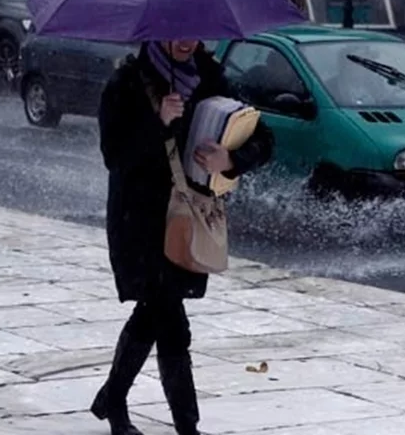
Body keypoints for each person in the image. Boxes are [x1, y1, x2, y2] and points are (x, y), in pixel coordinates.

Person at [93, 40, 275, 435]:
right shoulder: (126, 82)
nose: (185, 38)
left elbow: (264, 138)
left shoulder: (211, 79)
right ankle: (184, 425)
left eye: (193, 29)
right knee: (169, 319)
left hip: (188, 218)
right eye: (175, 29)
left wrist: (231, 160)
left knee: (155, 316)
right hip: (138, 220)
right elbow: (114, 155)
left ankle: (113, 399)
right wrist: (156, 122)